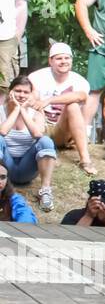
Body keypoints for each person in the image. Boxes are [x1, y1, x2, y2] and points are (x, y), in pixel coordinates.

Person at [27, 43, 95, 175]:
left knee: (73, 106)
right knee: (37, 110)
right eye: (59, 58)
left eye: (67, 58)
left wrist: (49, 100)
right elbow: (32, 96)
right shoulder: (36, 76)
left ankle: (85, 159)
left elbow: (81, 96)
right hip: (40, 124)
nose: (63, 61)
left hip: (61, 129)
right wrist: (37, 101)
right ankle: (38, 151)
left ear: (71, 60)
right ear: (50, 61)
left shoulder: (80, 81)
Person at [0, 75, 57, 211]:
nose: (21, 95)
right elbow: (2, 132)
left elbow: (37, 134)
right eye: (18, 91)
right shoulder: (1, 110)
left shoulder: (36, 113)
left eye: (26, 92)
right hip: (5, 168)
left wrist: (23, 111)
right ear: (10, 92)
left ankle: (45, 191)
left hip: (28, 168)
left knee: (45, 141)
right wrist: (16, 110)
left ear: (31, 94)